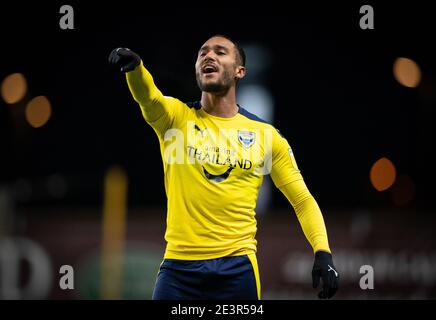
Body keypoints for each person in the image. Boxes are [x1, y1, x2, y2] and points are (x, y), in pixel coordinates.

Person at [108, 35, 339, 300]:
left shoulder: (266, 136)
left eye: (220, 52)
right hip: (179, 270)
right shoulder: (175, 120)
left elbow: (301, 200)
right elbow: (148, 98)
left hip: (237, 270)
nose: (209, 56)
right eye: (203, 52)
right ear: (197, 68)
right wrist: (136, 70)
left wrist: (322, 252)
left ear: (240, 71)